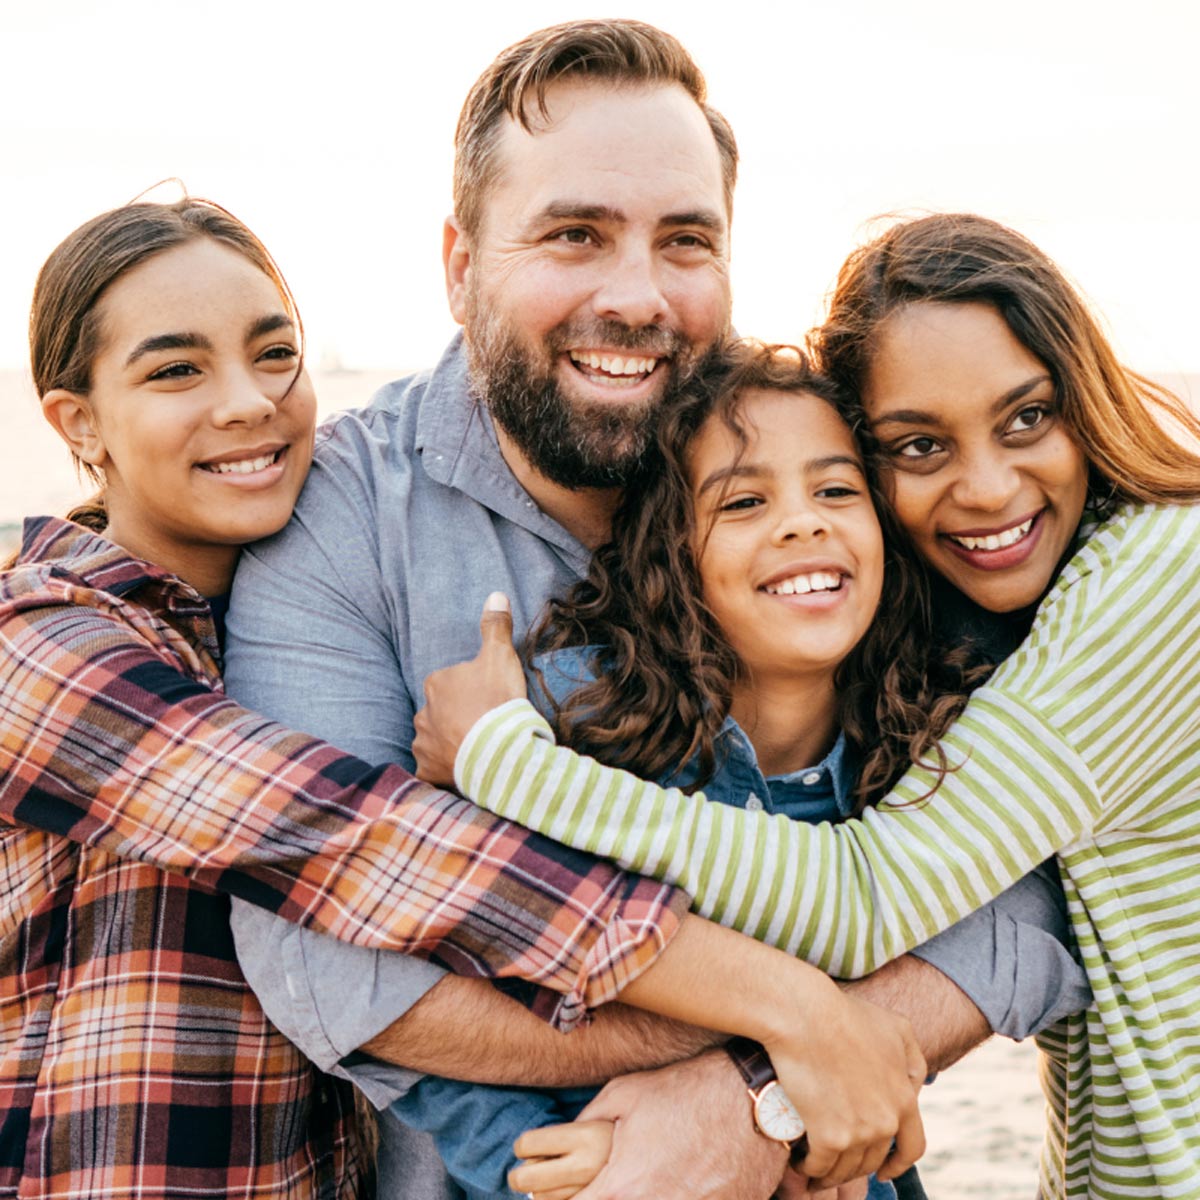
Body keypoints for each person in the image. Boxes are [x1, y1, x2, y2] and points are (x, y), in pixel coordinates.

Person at [226, 21, 1089, 1200]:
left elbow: (1031, 879)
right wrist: (782, 1034)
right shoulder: (340, 519)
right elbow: (333, 968)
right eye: (575, 235)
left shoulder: (826, 459)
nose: (636, 298)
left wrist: (757, 1103)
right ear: (459, 261)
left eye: (686, 241)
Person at [0, 198, 927, 1200]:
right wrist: (794, 1006)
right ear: (76, 421)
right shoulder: (39, 643)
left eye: (275, 354)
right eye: (177, 369)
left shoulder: (287, 629)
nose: (247, 402)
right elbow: (352, 839)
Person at [419, 214, 1200, 1199]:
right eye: (919, 445)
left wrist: (502, 759)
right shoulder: (994, 640)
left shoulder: (1161, 582)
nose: (990, 485)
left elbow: (863, 900)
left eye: (1027, 417)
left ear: (1083, 392)